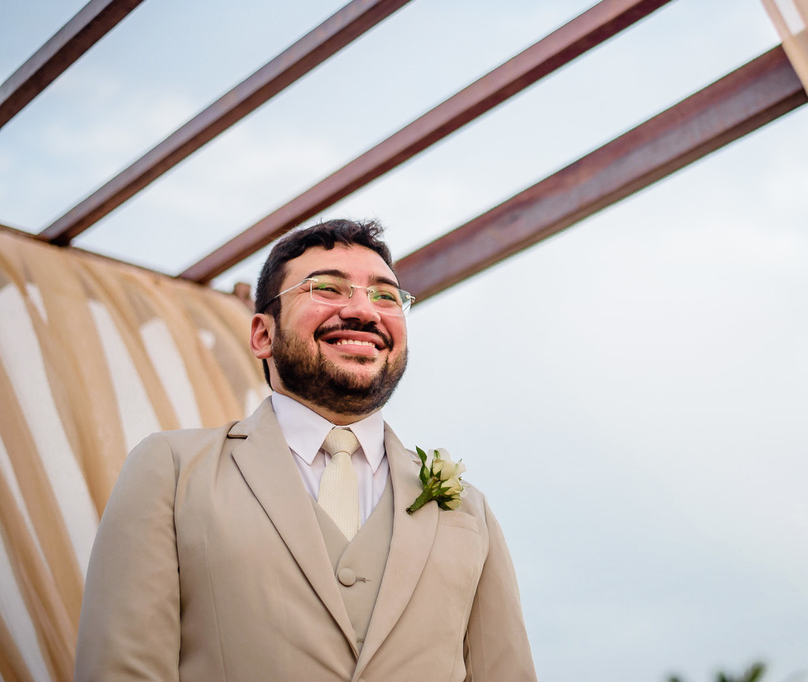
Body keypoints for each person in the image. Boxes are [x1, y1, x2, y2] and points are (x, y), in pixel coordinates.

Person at [75, 219, 536, 681]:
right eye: (329, 289)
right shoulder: (172, 472)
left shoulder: (469, 511)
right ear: (263, 335)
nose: (364, 311)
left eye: (386, 296)